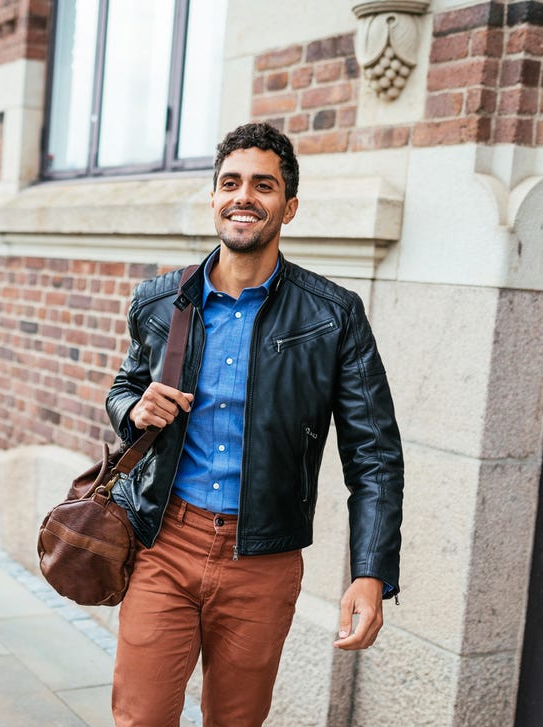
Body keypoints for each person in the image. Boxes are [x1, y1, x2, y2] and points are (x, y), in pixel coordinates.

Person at [105, 122, 404, 726]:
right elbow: (123, 390)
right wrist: (133, 410)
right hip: (165, 541)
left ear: (288, 207)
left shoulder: (334, 315)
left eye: (263, 185)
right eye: (231, 183)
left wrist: (371, 572)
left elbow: (374, 456)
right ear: (214, 197)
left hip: (263, 559)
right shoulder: (160, 301)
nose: (244, 196)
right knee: (140, 718)